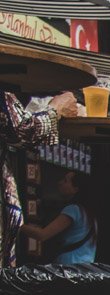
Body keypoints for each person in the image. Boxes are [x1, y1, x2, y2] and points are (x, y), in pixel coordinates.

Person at [2, 91, 76, 268]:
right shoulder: (75, 210)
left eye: (67, 180)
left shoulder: (74, 210)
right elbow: (23, 131)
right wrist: (55, 109)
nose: (60, 182)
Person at [20, 171, 96, 264]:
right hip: (85, 270)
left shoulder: (73, 210)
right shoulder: (90, 215)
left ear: (75, 189)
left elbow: (42, 235)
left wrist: (16, 223)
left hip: (68, 268)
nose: (59, 183)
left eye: (65, 181)